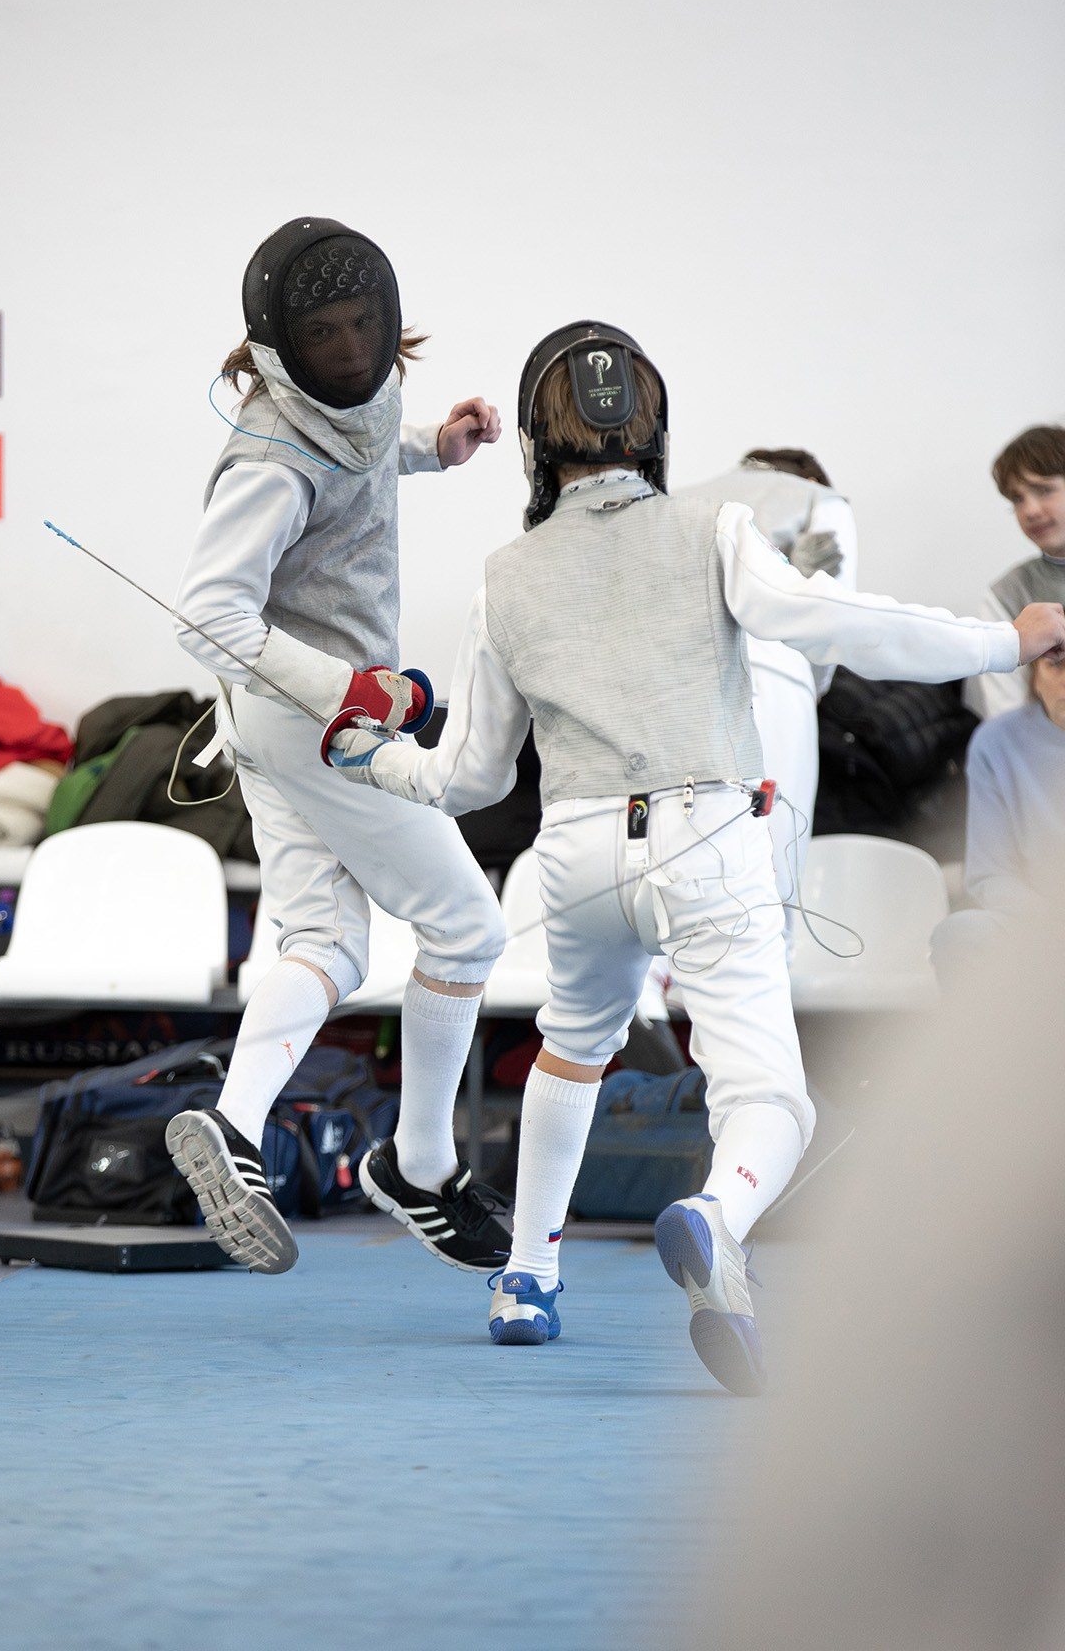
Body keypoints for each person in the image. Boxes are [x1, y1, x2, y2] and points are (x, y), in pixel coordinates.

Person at [318, 319, 1065, 1394]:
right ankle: (717, 1217)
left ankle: (525, 1278)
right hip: (709, 840)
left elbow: (471, 779)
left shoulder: (505, 573)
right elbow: (837, 622)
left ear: (537, 440)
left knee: (573, 1050)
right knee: (771, 1096)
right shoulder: (715, 529)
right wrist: (1006, 638)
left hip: (577, 855)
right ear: (653, 429)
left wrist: (376, 758)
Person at [164, 216, 510, 1279]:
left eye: (365, 325)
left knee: (328, 939)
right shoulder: (266, 459)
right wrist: (349, 690)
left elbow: (361, 451)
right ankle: (417, 1160)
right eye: (327, 333)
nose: (353, 350)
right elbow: (205, 613)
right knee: (465, 927)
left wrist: (434, 451)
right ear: (279, 342)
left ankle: (233, 1125)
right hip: (313, 717)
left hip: (276, 724)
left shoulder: (361, 398)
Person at [682, 448, 857, 948]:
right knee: (768, 890)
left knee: (682, 874)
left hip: (675, 688)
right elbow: (828, 635)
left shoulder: (678, 504)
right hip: (779, 680)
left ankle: (660, 998)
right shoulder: (821, 504)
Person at [932, 651, 1065, 981]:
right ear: (1034, 671)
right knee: (960, 934)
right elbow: (989, 874)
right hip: (1039, 927)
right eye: (1057, 664)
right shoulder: (996, 744)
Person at [967, 424, 1065, 720]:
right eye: (1017, 499)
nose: (1030, 510)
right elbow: (1009, 720)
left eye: (1043, 490)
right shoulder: (1007, 596)